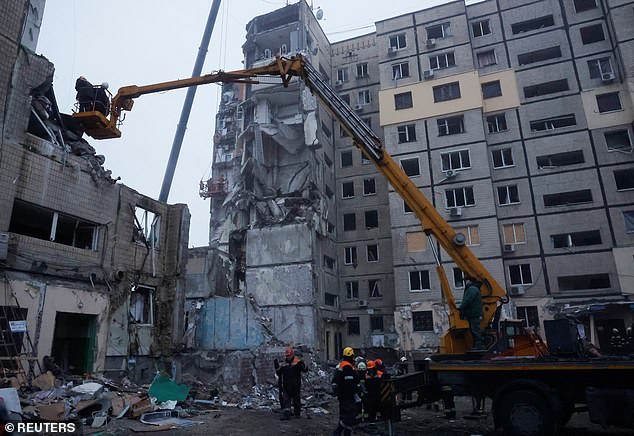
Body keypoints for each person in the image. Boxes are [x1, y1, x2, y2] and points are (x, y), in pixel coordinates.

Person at [332, 346, 360, 436]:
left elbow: (336, 380)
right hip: (348, 396)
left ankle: (346, 433)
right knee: (350, 415)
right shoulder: (347, 367)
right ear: (351, 356)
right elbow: (350, 383)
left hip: (342, 395)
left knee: (344, 415)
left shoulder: (342, 365)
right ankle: (338, 431)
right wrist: (356, 394)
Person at [274, 346, 307, 420]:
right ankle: (287, 415)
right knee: (286, 400)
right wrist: (276, 367)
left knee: (296, 400)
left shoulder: (297, 362)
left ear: (292, 355)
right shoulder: (284, 363)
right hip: (286, 385)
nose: (287, 357)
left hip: (295, 385)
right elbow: (279, 373)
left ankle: (297, 413)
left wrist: (304, 365)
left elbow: (304, 370)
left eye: (288, 356)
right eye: (286, 356)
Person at [459, 275, 484, 350]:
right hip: (474, 314)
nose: (465, 283)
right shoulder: (475, 289)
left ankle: (478, 346)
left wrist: (459, 309)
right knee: (475, 330)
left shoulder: (471, 289)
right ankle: (477, 345)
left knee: (475, 330)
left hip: (473, 314)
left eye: (465, 281)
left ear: (469, 281)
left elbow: (466, 301)